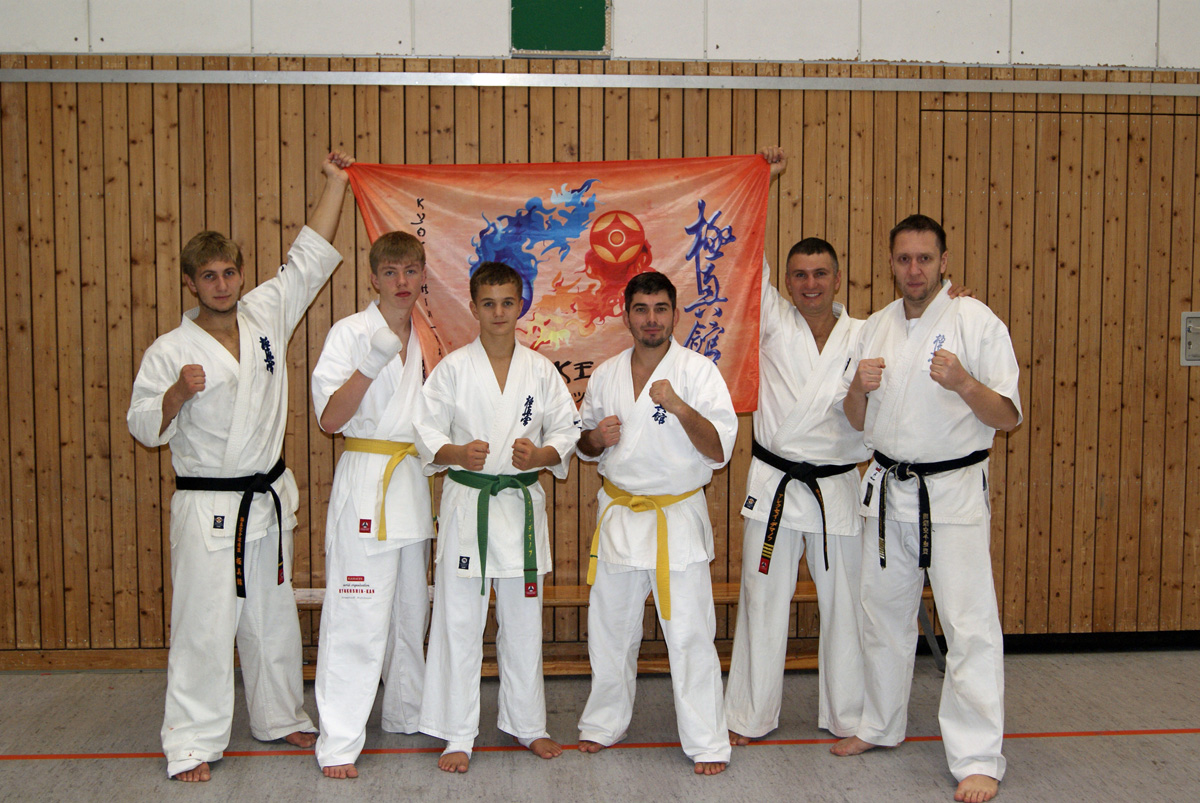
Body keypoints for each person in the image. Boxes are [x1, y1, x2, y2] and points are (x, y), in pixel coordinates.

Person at [127, 151, 356, 781]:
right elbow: (142, 425)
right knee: (204, 627)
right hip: (207, 505)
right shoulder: (170, 350)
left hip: (266, 496)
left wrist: (336, 183)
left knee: (271, 618)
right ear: (191, 284)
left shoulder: (264, 314)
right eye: (209, 276)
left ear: (241, 275)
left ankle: (279, 715)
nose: (222, 284)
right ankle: (191, 742)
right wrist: (176, 394)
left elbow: (309, 257)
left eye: (230, 272)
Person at [834, 214, 1021, 803]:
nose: (914, 269)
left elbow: (1007, 416)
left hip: (952, 492)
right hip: (888, 488)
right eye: (903, 258)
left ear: (944, 262)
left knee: (968, 625)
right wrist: (856, 389)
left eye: (924, 258)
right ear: (891, 263)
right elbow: (857, 422)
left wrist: (964, 383)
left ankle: (978, 757)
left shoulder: (975, 321)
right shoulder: (876, 327)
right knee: (882, 615)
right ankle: (879, 724)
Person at [724, 148, 871, 745]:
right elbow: (743, 250)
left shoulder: (866, 333)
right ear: (787, 281)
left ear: (837, 278)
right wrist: (762, 181)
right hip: (775, 484)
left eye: (820, 274)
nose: (810, 284)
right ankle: (748, 716)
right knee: (762, 600)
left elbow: (918, 334)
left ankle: (849, 715)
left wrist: (951, 301)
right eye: (800, 275)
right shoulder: (772, 321)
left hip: (836, 486)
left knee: (845, 608)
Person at [414, 261, 580, 773]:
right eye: (489, 303)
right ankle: (457, 731)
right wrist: (456, 453)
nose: (499, 312)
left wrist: (543, 456)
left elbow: (567, 429)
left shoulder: (540, 370)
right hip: (469, 506)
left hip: (519, 507)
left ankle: (528, 724)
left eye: (508, 302)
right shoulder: (453, 369)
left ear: (520, 306)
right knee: (459, 621)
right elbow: (425, 429)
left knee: (524, 623)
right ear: (473, 307)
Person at [576, 271, 738, 775]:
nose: (651, 319)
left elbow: (719, 451)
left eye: (660, 308)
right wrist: (595, 440)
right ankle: (604, 723)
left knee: (690, 635)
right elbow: (583, 445)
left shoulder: (698, 373)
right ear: (626, 315)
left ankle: (707, 741)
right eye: (641, 309)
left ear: (674, 314)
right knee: (610, 631)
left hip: (675, 517)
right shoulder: (606, 375)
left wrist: (678, 406)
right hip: (621, 515)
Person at [310, 231, 446, 779]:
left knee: (411, 613)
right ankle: (339, 741)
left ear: (423, 276)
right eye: (390, 272)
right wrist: (370, 364)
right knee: (357, 616)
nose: (402, 282)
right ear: (373, 278)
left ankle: (406, 712)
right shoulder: (350, 333)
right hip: (367, 478)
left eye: (411, 271)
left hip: (408, 481)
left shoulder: (427, 337)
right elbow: (329, 420)